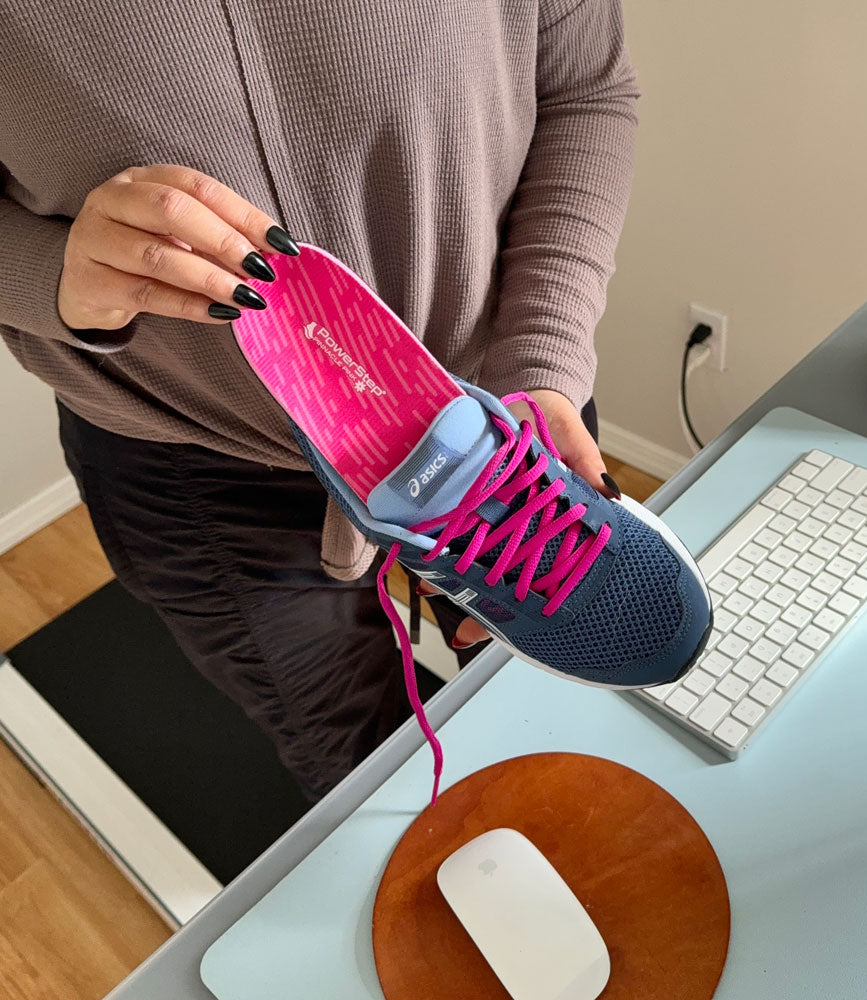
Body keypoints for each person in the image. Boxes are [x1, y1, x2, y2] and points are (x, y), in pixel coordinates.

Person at [0, 1, 638, 802]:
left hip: (504, 431)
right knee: (364, 775)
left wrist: (545, 355)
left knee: (565, 711)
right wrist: (48, 271)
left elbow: (585, 86)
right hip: (201, 472)